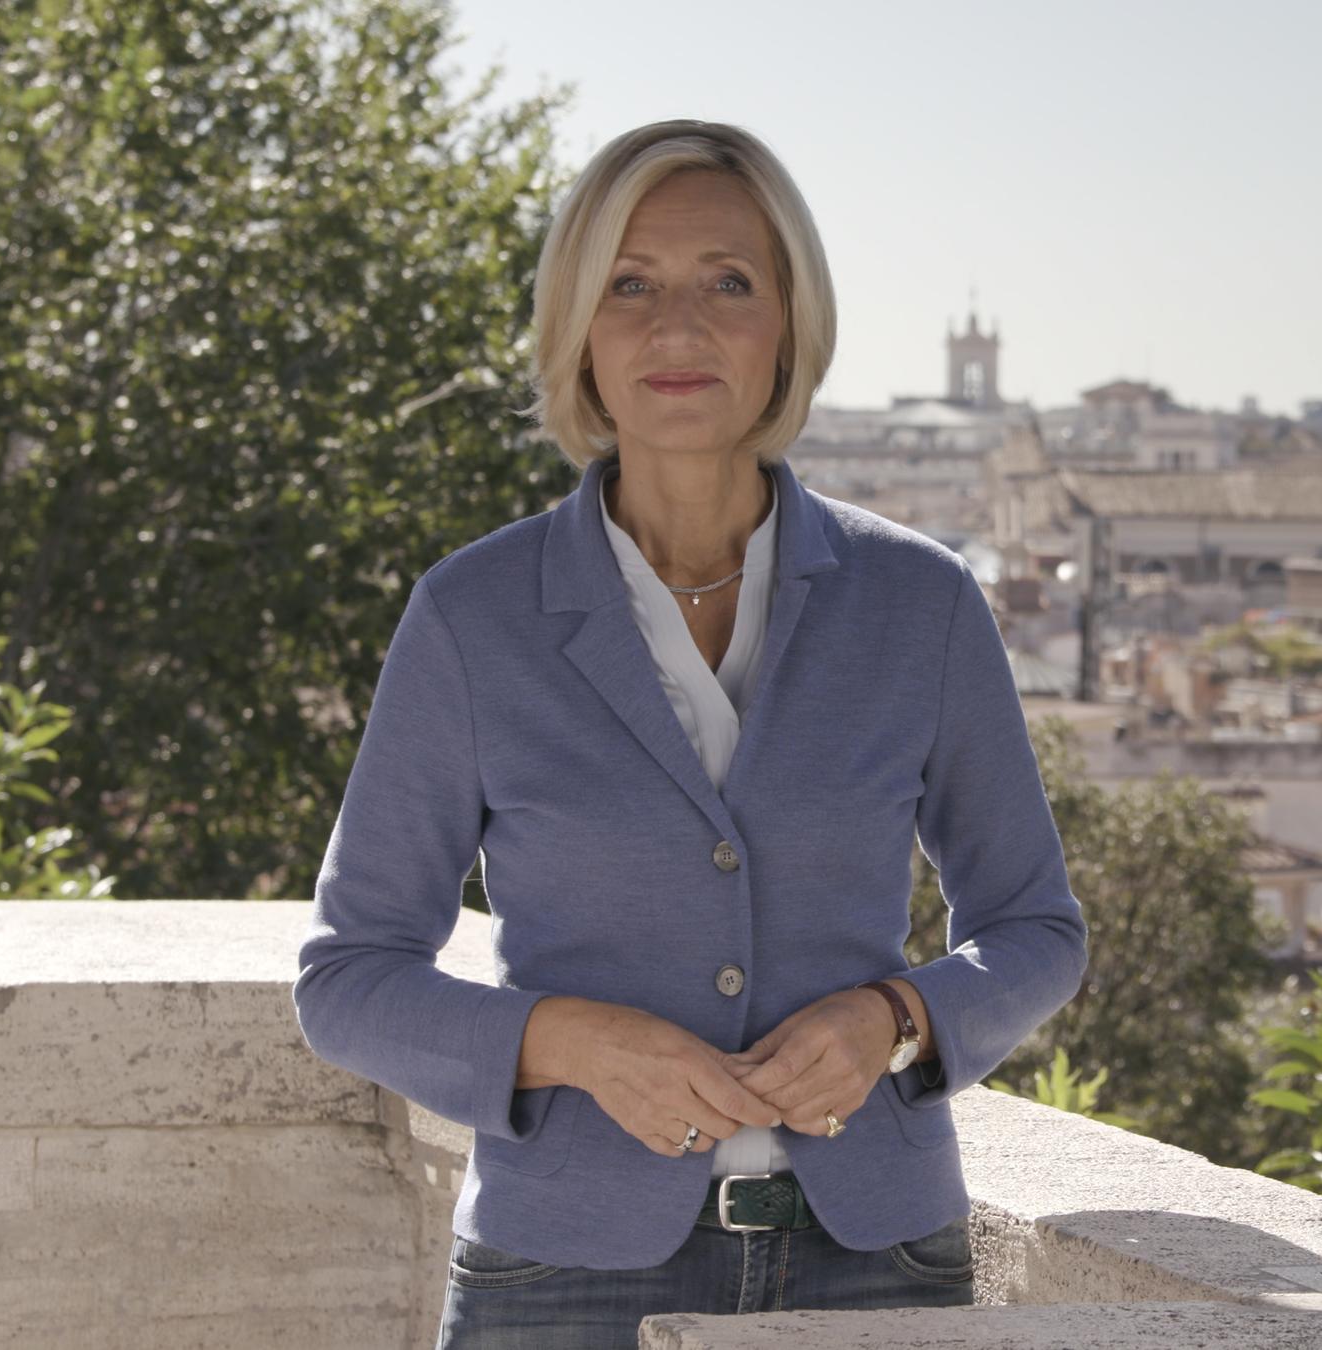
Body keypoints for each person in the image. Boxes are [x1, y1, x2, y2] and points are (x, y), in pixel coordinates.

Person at [292, 119, 1087, 1348]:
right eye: (631, 286)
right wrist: (572, 1045)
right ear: (580, 331)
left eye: (729, 283)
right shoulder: (473, 616)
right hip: (560, 1282)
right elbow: (350, 980)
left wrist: (896, 1017)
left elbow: (1035, 930)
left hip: (881, 1263)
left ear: (788, 325)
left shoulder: (920, 602)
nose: (680, 328)